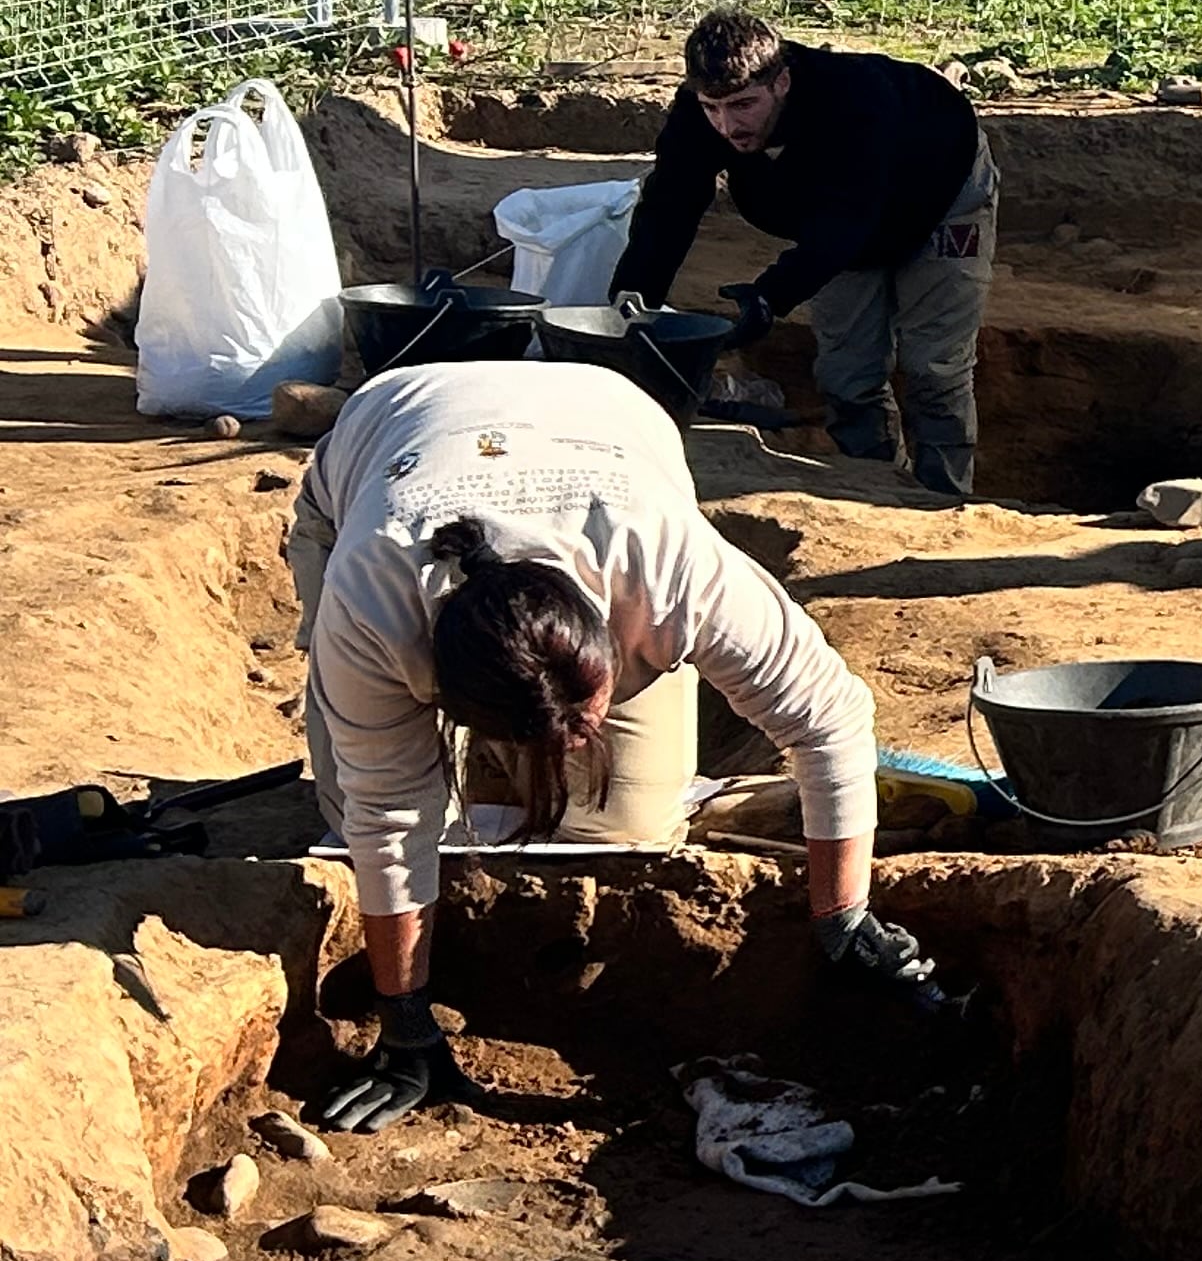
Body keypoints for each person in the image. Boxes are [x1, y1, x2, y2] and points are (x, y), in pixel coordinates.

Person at [287, 358, 937, 1131]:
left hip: (603, 422)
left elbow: (830, 720)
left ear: (609, 639)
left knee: (626, 830)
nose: (576, 746)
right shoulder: (371, 599)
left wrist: (842, 915)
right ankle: (469, 826)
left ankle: (506, 794)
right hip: (381, 451)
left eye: (589, 716)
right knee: (349, 817)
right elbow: (387, 818)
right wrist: (406, 1023)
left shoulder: (665, 569)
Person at [608, 11, 997, 495]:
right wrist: (629, 305)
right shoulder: (698, 113)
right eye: (713, 108)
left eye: (744, 105)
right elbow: (669, 206)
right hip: (839, 212)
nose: (728, 126)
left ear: (782, 82)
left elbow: (846, 223)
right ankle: (876, 489)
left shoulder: (854, 102)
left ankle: (945, 497)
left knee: (933, 368)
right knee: (846, 375)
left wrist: (770, 296)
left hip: (941, 190)